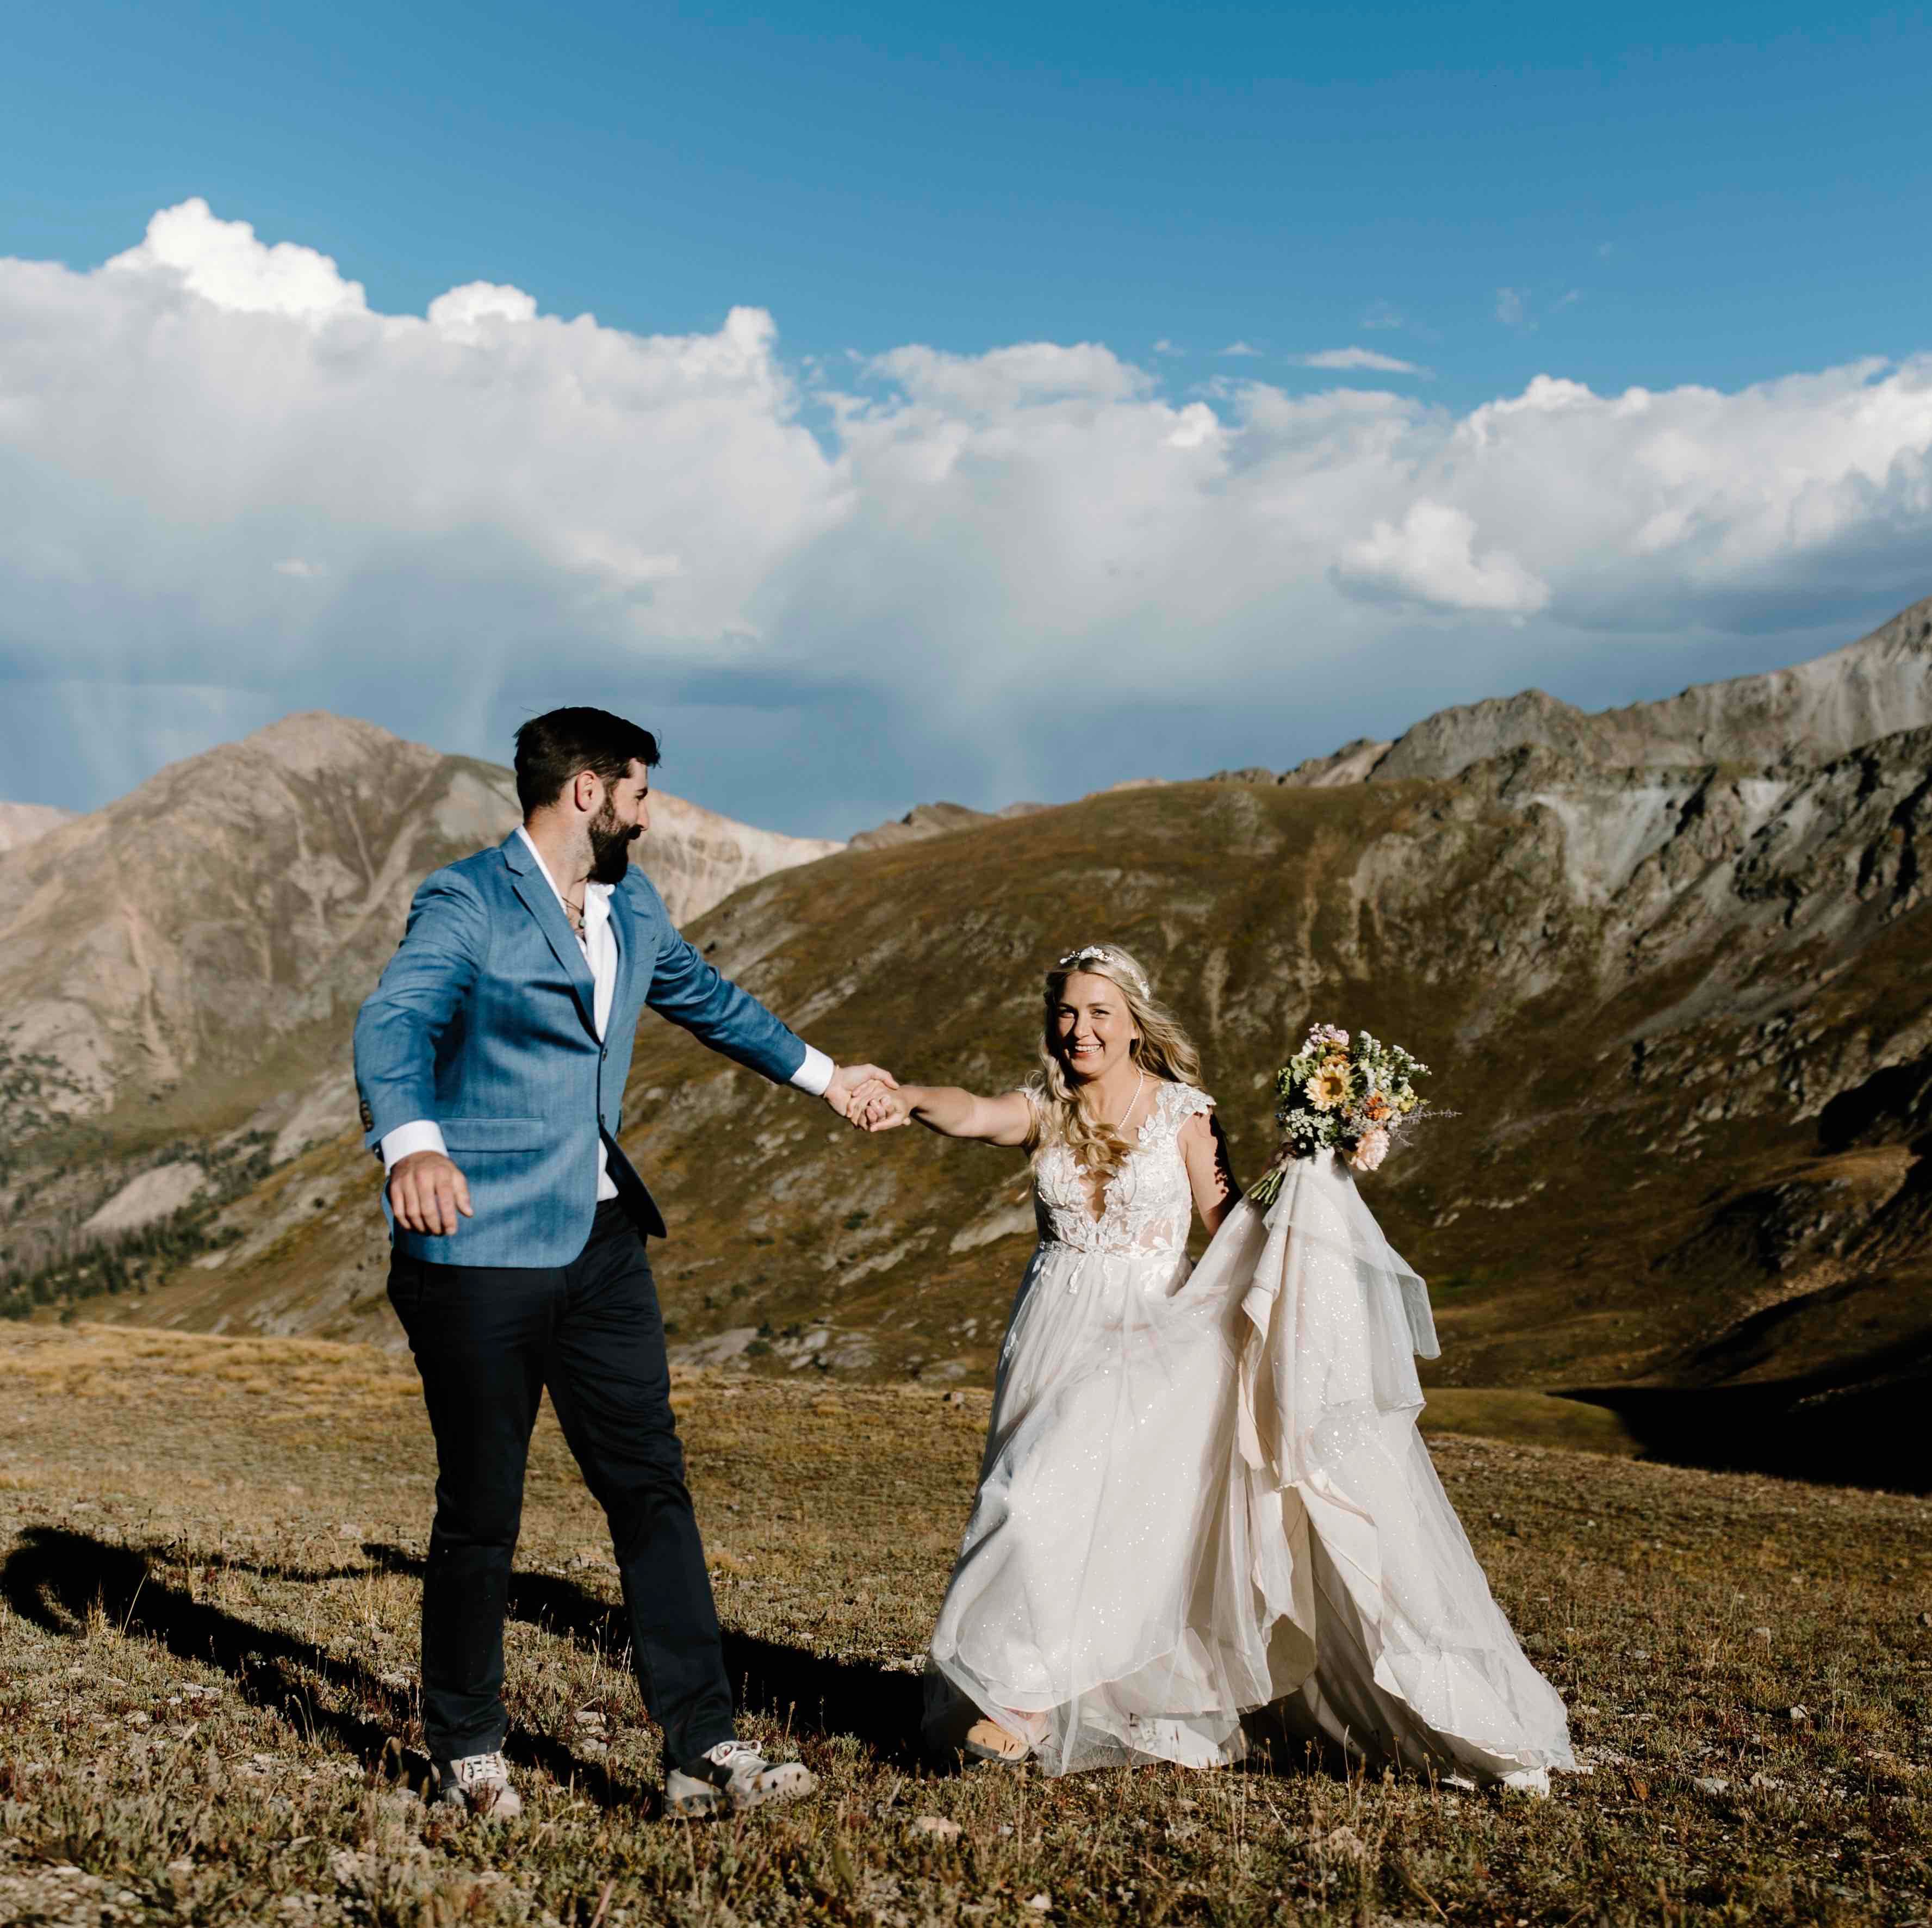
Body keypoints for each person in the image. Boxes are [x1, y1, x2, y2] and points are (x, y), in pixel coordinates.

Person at [854, 943, 1576, 1790]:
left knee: (1038, 1497)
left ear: (1133, 1026)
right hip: (1049, 1330)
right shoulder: (1047, 1107)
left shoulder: (1184, 1113)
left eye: (1098, 1013)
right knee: (1059, 1507)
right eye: (1066, 1012)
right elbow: (973, 1111)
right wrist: (906, 1097)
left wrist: (1309, 1178)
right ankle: (1074, 1689)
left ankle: (1022, 1700)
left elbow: (1228, 1222)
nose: (1078, 1028)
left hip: (1148, 1338)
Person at [353, 706, 894, 1821]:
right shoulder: (467, 900)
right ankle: (467, 1752)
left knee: (650, 1488)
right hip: (478, 1250)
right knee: (481, 1511)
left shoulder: (631, 904)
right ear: (590, 791)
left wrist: (828, 1076)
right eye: (643, 793)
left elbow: (708, 1001)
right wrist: (413, 1143)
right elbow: (392, 1026)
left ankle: (702, 1748)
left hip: (600, 1246)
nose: (651, 814)